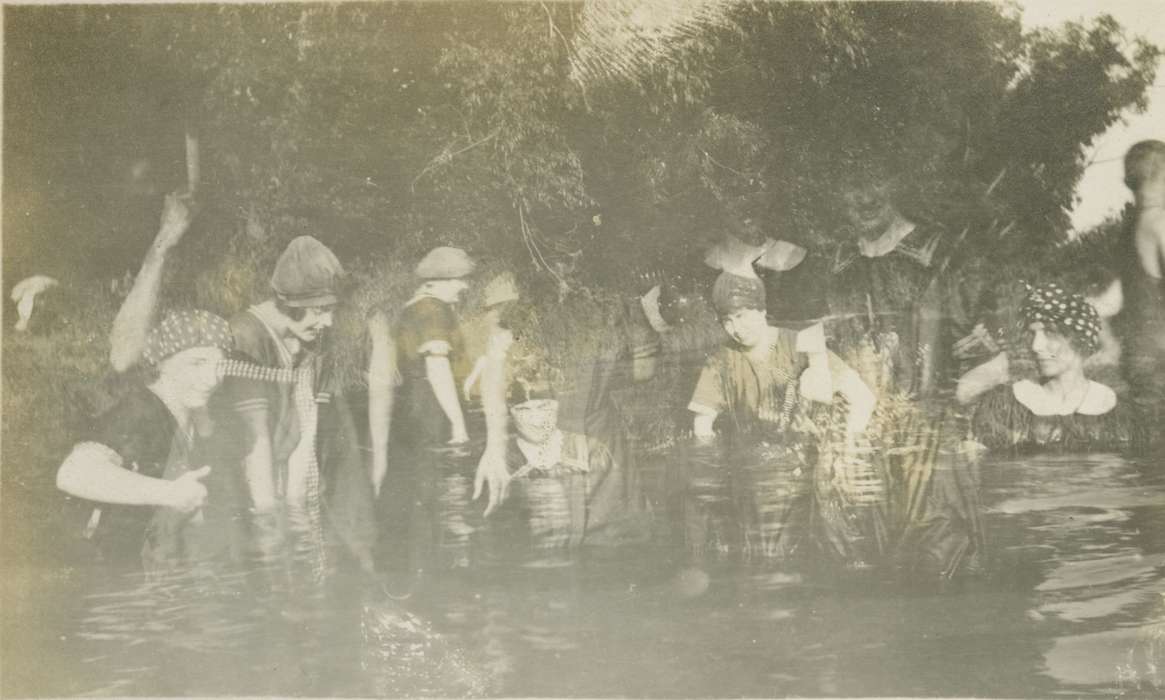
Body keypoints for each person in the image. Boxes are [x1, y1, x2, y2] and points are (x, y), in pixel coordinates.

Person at [685, 271, 877, 567]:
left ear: (762, 310)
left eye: (743, 315)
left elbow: (862, 397)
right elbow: (702, 426)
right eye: (728, 320)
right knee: (759, 559)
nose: (737, 328)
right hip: (753, 477)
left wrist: (848, 448)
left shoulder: (799, 345)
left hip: (805, 470)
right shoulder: (721, 361)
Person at [56, 310, 236, 572]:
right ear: (163, 362)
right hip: (95, 572)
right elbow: (73, 472)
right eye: (196, 363)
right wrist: (169, 493)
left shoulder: (190, 416)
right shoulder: (140, 411)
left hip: (134, 567)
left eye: (219, 365)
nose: (212, 379)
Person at [958, 282, 1129, 451]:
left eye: (1049, 333)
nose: (1036, 346)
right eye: (1033, 334)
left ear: (1079, 340)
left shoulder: (1115, 412)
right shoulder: (1006, 406)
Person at [1117, 140, 1165, 449]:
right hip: (1162, 351)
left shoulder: (1130, 229)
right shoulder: (1160, 222)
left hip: (1138, 351)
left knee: (1148, 440)